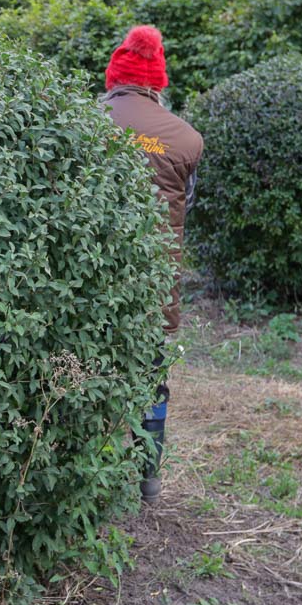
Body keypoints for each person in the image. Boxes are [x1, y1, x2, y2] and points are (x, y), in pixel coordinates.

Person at [101, 25, 203, 504]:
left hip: (92, 278)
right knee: (150, 376)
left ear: (114, 77)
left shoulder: (84, 120)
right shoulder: (186, 139)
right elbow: (188, 204)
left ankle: (83, 476)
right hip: (153, 280)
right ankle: (149, 479)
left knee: (83, 368)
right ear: (158, 83)